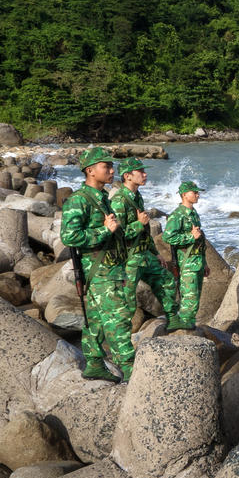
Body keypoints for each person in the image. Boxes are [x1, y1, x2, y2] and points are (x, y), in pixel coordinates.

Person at [59, 147, 132, 381]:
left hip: (108, 269)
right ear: (90, 170)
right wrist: (104, 230)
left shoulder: (102, 198)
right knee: (119, 319)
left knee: (96, 320)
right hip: (99, 271)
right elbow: (69, 237)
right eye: (106, 166)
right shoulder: (79, 200)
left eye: (111, 166)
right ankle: (130, 370)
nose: (112, 170)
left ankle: (94, 364)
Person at [110, 157, 177, 331]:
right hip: (128, 258)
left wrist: (155, 252)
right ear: (127, 176)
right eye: (140, 172)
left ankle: (173, 319)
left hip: (144, 254)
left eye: (144, 171)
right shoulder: (119, 201)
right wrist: (139, 223)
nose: (145, 174)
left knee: (167, 280)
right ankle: (120, 336)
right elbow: (117, 234)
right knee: (128, 301)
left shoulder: (136, 196)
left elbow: (145, 232)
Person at [162, 180, 206, 331]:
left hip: (197, 259)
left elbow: (200, 240)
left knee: (196, 295)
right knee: (189, 295)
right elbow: (168, 237)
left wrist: (205, 263)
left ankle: (189, 322)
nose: (197, 195)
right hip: (187, 261)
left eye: (198, 192)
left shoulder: (193, 213)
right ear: (184, 195)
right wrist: (190, 237)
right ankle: (184, 324)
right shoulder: (177, 215)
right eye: (195, 192)